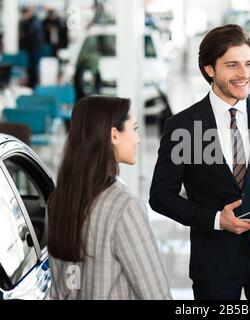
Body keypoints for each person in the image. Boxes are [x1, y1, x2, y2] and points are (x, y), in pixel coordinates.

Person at [150, 24, 250, 300]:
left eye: (248, 64)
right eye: (233, 65)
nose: (244, 74)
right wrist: (217, 220)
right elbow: (161, 196)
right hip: (214, 264)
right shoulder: (183, 126)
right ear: (210, 69)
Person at [47, 96, 172, 300]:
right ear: (114, 135)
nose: (138, 139)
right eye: (134, 129)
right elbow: (155, 294)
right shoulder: (125, 209)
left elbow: (61, 289)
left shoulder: (59, 201)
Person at [19, 6, 44, 88]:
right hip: (31, 49)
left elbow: (29, 35)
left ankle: (34, 86)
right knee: (30, 68)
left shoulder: (35, 22)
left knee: (34, 69)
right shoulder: (29, 22)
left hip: (35, 49)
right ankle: (31, 84)